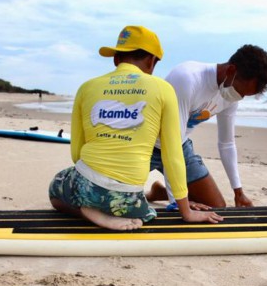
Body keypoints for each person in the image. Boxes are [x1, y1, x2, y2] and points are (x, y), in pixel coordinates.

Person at [48, 25, 223, 231]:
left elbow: (77, 152)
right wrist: (186, 211)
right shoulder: (163, 89)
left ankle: (87, 211)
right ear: (151, 61)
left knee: (55, 191)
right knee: (142, 208)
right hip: (129, 200)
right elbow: (172, 154)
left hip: (87, 182)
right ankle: (108, 208)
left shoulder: (87, 88)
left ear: (116, 59)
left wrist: (91, 185)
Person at [147, 45, 267, 209]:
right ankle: (174, 194)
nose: (239, 97)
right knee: (116, 199)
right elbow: (170, 143)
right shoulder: (188, 78)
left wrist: (238, 192)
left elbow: (227, 144)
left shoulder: (230, 96)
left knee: (216, 205)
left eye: (244, 96)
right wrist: (177, 204)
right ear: (230, 70)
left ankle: (160, 192)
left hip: (180, 147)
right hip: (147, 145)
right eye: (240, 91)